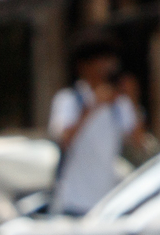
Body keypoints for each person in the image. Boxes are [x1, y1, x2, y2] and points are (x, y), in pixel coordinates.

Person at [47, 34, 143, 216]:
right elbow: (64, 139)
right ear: (84, 65)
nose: (107, 66)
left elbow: (137, 142)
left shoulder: (118, 104)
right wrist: (92, 107)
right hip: (73, 203)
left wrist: (132, 100)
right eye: (101, 60)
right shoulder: (69, 100)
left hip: (106, 203)